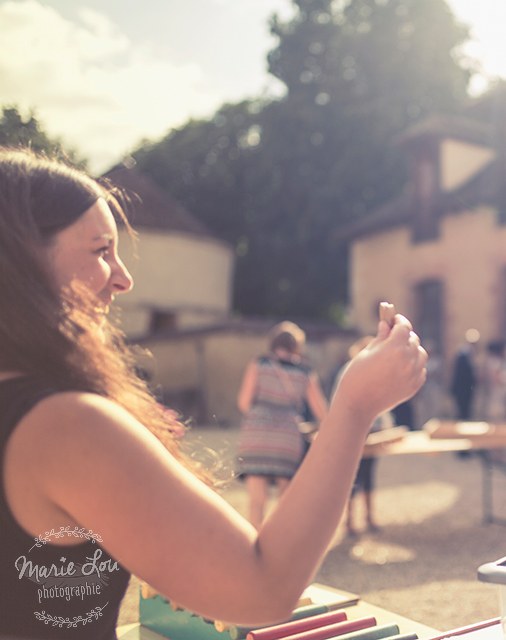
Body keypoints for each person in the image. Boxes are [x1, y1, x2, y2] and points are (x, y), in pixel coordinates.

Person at [0, 148, 427, 638]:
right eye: (101, 251)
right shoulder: (63, 425)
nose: (123, 278)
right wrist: (354, 405)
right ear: (19, 265)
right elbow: (261, 588)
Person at [236, 321, 329, 528]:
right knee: (285, 498)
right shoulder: (305, 371)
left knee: (257, 500)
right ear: (296, 346)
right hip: (287, 437)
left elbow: (243, 402)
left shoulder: (258, 364)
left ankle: (255, 541)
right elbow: (321, 411)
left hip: (256, 435)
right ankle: (279, 544)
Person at [333, 336, 392, 536]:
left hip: (373, 430)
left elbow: (383, 403)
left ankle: (369, 517)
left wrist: (386, 427)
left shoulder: (376, 373)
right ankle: (349, 521)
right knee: (353, 477)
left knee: (368, 475)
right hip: (355, 429)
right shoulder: (350, 371)